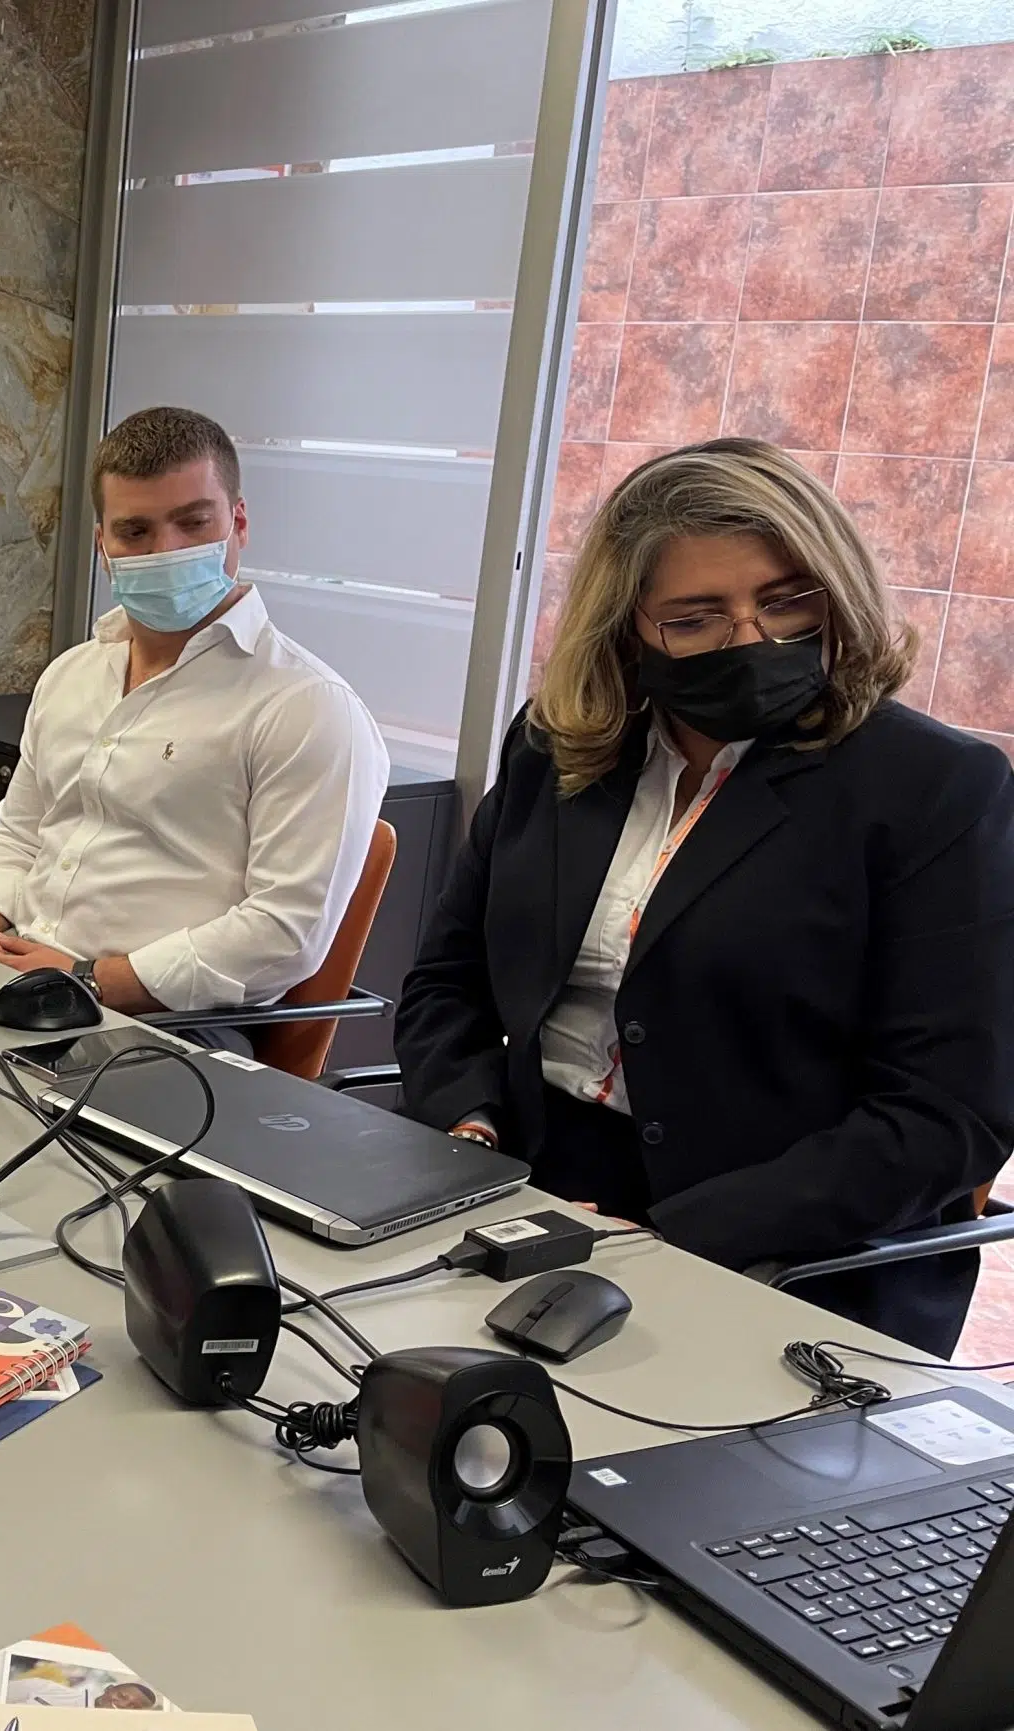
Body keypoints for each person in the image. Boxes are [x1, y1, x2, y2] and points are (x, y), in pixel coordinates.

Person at [395, 438, 1014, 1356]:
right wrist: (469, 1121)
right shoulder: (556, 748)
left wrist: (680, 1236)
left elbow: (948, 1116)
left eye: (784, 600)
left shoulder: (935, 789)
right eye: (696, 618)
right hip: (523, 1184)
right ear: (629, 630)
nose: (752, 639)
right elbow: (448, 982)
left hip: (776, 1242)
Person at [0, 405, 388, 1016]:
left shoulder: (307, 709)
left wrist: (91, 978)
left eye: (193, 523)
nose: (166, 551)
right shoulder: (72, 675)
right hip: (19, 982)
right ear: (103, 545)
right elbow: (21, 834)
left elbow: (286, 934)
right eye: (136, 532)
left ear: (240, 523)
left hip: (171, 1023)